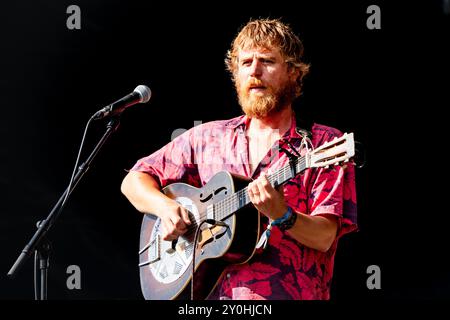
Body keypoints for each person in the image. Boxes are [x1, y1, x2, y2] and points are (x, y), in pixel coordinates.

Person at [121, 18, 357, 300]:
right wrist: (166, 208)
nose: (255, 71)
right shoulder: (207, 137)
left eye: (267, 61)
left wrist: (282, 214)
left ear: (294, 73)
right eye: (245, 63)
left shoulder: (323, 143)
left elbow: (324, 237)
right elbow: (133, 180)